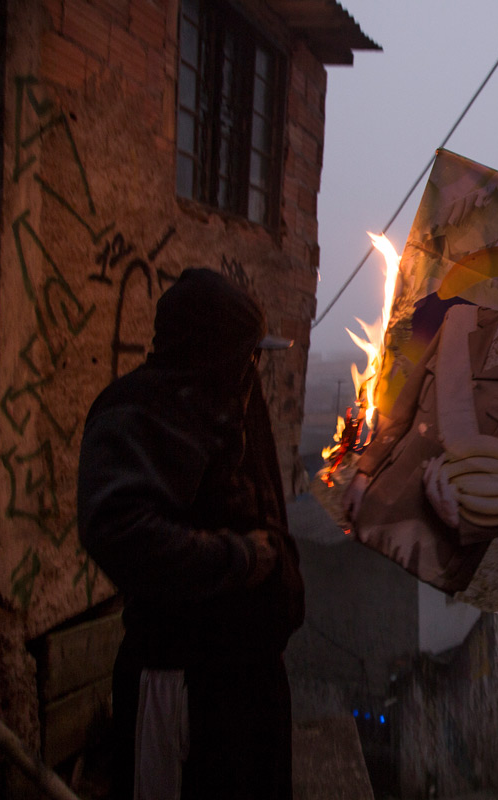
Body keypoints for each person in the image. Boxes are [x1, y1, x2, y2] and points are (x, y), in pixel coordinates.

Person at [78, 268, 305, 800]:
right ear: (211, 350)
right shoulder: (138, 412)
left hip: (252, 685)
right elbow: (122, 532)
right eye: (244, 353)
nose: (253, 367)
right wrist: (240, 559)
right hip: (182, 687)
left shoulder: (236, 405)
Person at [341, 215, 498, 593]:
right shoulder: (459, 321)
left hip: (436, 555)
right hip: (374, 510)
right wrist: (365, 473)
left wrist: (467, 519)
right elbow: (404, 412)